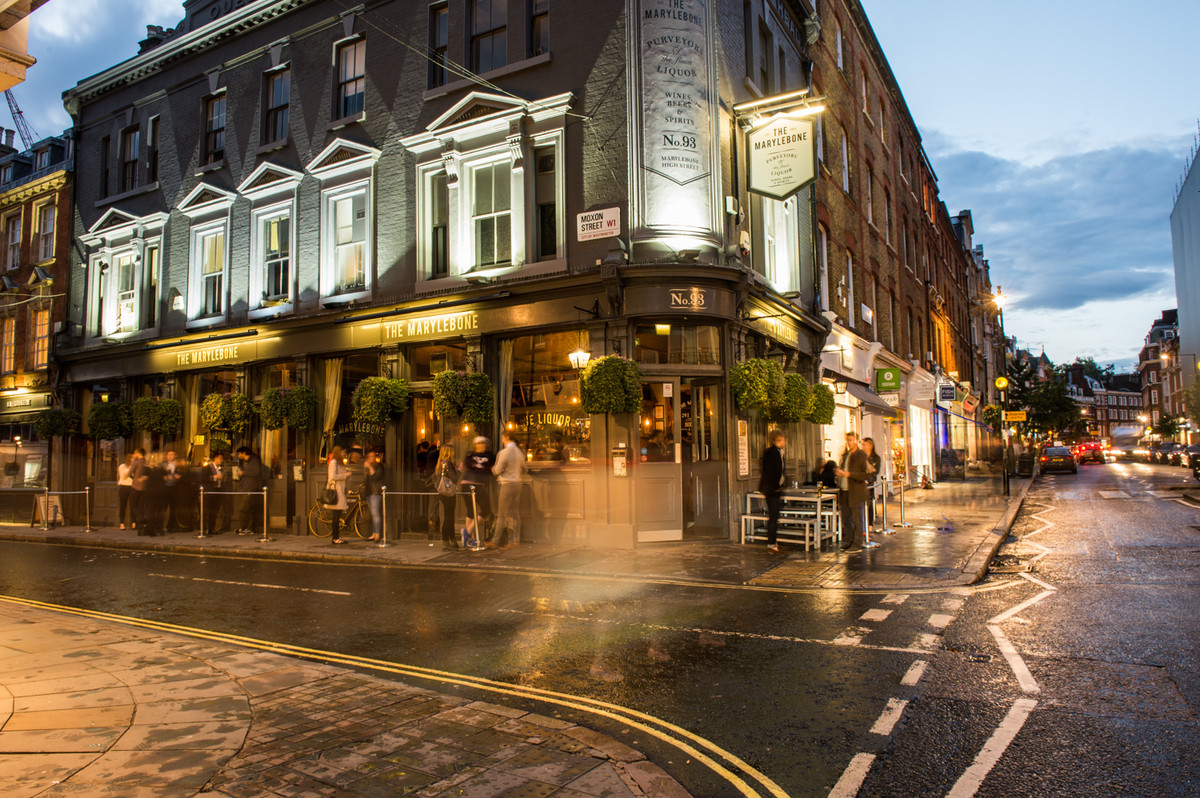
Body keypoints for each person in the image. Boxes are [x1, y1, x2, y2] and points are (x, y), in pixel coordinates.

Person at [835, 432, 870, 551]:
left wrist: (849, 474)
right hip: (844, 490)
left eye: (851, 440)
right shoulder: (846, 455)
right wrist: (839, 473)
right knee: (846, 518)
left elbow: (865, 475)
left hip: (855, 491)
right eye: (847, 440)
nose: (849, 442)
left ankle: (857, 542)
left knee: (856, 518)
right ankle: (848, 540)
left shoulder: (861, 455)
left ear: (856, 441)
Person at [491, 430, 526, 549]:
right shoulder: (520, 452)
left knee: (502, 514)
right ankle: (514, 540)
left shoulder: (504, 452)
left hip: (507, 484)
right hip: (518, 483)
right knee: (515, 513)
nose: (502, 439)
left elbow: (497, 470)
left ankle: (495, 541)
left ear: (506, 437)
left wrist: (492, 469)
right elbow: (525, 468)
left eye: (502, 437)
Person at [460, 436, 495, 545]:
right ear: (475, 445)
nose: (481, 445)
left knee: (474, 511)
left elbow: (461, 467)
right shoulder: (474, 455)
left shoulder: (475, 455)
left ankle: (470, 538)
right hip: (474, 484)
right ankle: (469, 534)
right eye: (479, 443)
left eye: (482, 443)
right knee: (485, 510)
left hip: (470, 483)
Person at [757, 429, 787, 554]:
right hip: (771, 489)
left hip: (775, 488)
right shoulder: (771, 453)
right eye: (782, 439)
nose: (784, 441)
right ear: (776, 440)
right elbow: (770, 471)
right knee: (773, 517)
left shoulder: (779, 452)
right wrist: (776, 486)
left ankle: (774, 543)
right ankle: (771, 545)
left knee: (775, 516)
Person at [433, 444, 460, 550]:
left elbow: (435, 478)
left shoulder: (440, 463)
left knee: (448, 517)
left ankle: (450, 539)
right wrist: (459, 469)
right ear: (449, 452)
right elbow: (454, 478)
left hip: (442, 493)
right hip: (449, 493)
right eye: (452, 451)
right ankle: (448, 540)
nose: (454, 453)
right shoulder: (447, 463)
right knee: (449, 517)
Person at [235, 446, 266, 536]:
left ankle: (247, 528)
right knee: (246, 508)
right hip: (244, 487)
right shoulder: (244, 462)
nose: (238, 455)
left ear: (244, 453)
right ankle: (246, 528)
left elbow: (256, 472)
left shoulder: (254, 461)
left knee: (243, 508)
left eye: (239, 453)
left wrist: (243, 473)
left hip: (250, 487)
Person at [325, 445, 349, 544]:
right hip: (335, 491)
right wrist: (346, 475)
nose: (345, 454)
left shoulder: (340, 463)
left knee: (337, 516)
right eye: (343, 452)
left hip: (340, 491)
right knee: (336, 516)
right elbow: (332, 476)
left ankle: (336, 537)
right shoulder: (333, 462)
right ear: (339, 453)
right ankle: (335, 538)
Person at [202, 452, 230, 535]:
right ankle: (204, 529)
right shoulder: (208, 468)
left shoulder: (220, 468)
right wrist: (215, 477)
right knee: (207, 511)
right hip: (209, 492)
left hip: (217, 491)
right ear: (215, 458)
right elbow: (203, 478)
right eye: (220, 458)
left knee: (214, 511)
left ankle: (212, 529)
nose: (222, 460)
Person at [363, 450, 385, 542]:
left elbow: (376, 478)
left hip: (375, 492)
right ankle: (374, 533)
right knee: (372, 514)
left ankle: (377, 534)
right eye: (369, 456)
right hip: (369, 493)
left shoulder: (379, 466)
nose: (371, 458)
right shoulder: (367, 468)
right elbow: (366, 481)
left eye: (373, 456)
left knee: (376, 514)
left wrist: (370, 468)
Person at [862, 437, 882, 534]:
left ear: (870, 445)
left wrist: (866, 462)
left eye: (864, 445)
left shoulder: (875, 458)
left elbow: (875, 470)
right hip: (860, 482)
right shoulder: (860, 456)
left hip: (869, 483)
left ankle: (870, 525)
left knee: (869, 504)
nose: (862, 447)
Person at [129, 448, 150, 535]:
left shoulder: (136, 462)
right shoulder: (146, 462)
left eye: (135, 453)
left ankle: (141, 519)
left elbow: (130, 473)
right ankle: (141, 530)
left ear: (138, 453)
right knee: (141, 507)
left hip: (136, 486)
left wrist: (134, 478)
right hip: (144, 487)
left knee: (134, 505)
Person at [116, 453, 134, 530]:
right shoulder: (122, 466)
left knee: (133, 505)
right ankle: (122, 524)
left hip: (132, 486)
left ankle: (133, 523)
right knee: (123, 505)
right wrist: (131, 470)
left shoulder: (134, 466)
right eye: (132, 458)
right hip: (124, 486)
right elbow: (123, 476)